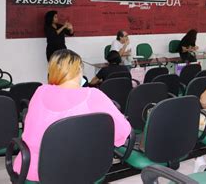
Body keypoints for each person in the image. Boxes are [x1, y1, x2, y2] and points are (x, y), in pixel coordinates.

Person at [13, 49, 131, 182]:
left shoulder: (40, 91)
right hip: (84, 168)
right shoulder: (93, 95)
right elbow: (123, 131)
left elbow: (29, 132)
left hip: (37, 169)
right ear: (80, 70)